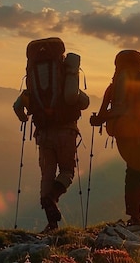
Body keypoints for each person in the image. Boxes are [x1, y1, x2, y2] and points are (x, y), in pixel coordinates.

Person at [13, 42, 89, 233]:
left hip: (43, 133)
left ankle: (51, 223)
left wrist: (26, 116)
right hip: (66, 132)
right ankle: (53, 197)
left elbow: (17, 107)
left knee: (46, 175)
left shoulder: (33, 81)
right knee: (67, 172)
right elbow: (84, 102)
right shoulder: (65, 77)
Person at [90, 50, 140, 225]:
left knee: (130, 169)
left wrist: (95, 120)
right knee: (136, 171)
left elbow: (101, 116)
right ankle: (134, 214)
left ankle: (133, 213)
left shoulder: (113, 87)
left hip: (122, 131)